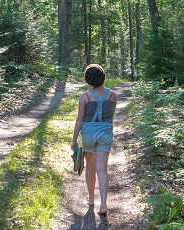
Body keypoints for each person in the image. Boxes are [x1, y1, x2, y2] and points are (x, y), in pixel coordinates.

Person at [71, 64, 117, 216]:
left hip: (89, 134)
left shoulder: (85, 96)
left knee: (90, 168)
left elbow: (79, 119)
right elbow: (111, 116)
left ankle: (91, 199)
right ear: (104, 77)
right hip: (105, 133)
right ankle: (103, 205)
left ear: (87, 80)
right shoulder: (112, 95)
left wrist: (74, 140)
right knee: (102, 169)